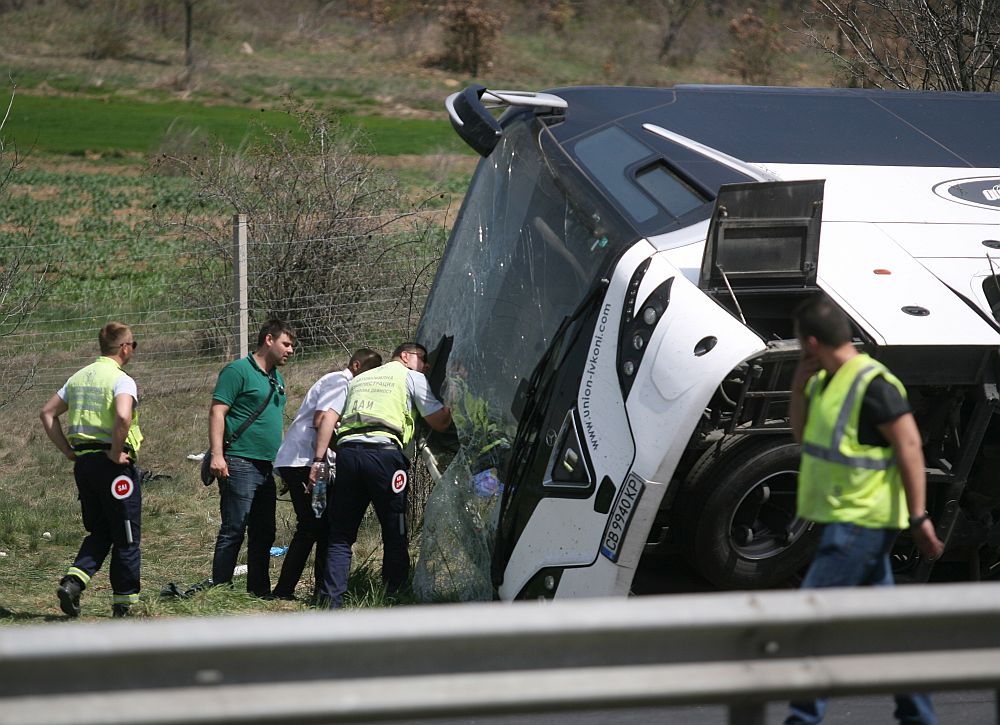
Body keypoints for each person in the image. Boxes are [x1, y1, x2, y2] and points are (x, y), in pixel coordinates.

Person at [785, 294, 945, 725]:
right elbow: (803, 437)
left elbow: (910, 445)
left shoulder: (871, 383)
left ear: (812, 342)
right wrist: (799, 384)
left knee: (812, 622)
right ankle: (919, 717)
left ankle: (802, 719)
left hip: (860, 523)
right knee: (891, 631)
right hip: (845, 521)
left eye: (800, 343)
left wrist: (919, 517)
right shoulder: (824, 382)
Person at [319, 342, 452, 608]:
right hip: (384, 456)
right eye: (422, 359)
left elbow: (329, 419)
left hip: (348, 454)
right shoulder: (411, 377)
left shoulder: (359, 379)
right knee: (394, 528)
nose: (426, 365)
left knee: (341, 534)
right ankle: (394, 596)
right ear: (405, 357)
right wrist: (456, 395)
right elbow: (440, 421)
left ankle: (329, 603)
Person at [39, 323, 143, 618]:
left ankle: (73, 583)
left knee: (100, 530)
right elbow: (123, 415)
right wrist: (113, 451)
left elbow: (47, 413)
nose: (133, 350)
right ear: (124, 348)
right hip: (114, 469)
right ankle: (124, 606)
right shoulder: (121, 380)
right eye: (134, 345)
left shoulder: (79, 377)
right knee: (125, 535)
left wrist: (68, 451)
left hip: (85, 466)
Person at [271, 348, 383, 601]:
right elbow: (322, 419)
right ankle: (284, 591)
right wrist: (346, 450)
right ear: (356, 366)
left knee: (323, 527)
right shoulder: (339, 381)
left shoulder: (345, 384)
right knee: (311, 526)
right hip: (304, 461)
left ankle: (321, 593)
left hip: (314, 463)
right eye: (368, 373)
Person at [207, 319, 295, 597]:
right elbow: (217, 412)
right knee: (234, 528)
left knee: (264, 532)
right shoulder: (238, 371)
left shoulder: (277, 380)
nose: (290, 350)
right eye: (286, 343)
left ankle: (258, 590)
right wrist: (218, 455)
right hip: (238, 461)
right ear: (269, 340)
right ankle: (220, 589)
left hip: (266, 467)